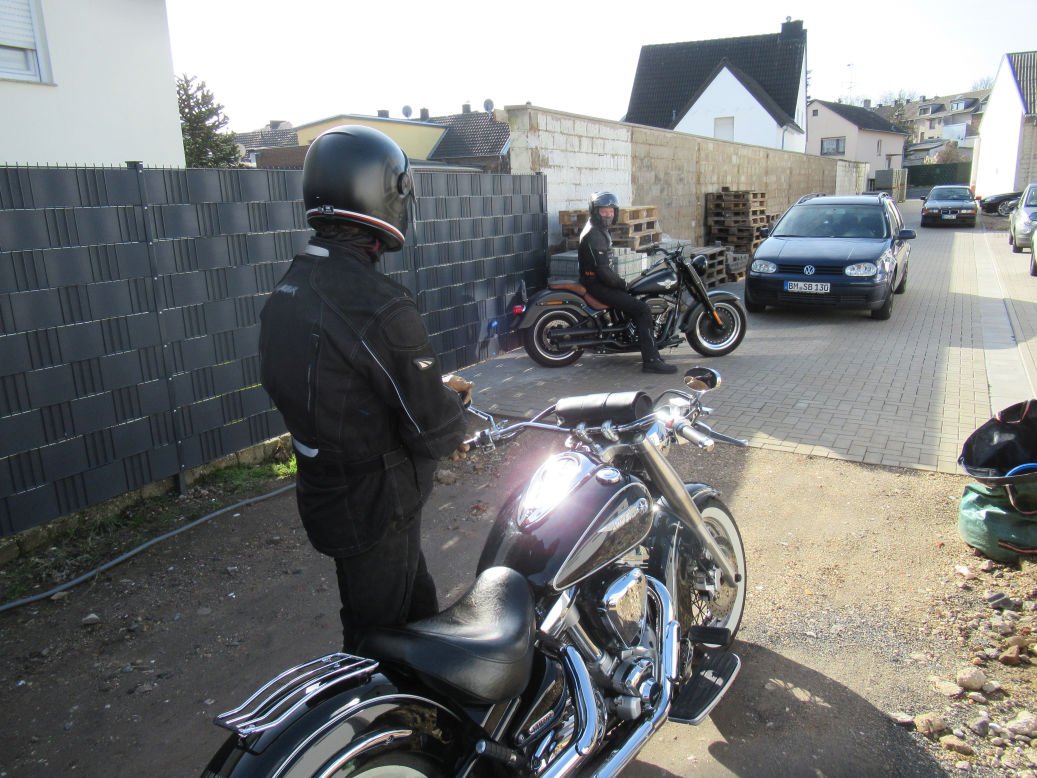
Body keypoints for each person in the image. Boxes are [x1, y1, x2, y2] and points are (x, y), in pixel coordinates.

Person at [258, 125, 471, 652]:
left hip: (326, 488)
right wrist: (454, 405)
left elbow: (332, 379)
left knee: (415, 607)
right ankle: (381, 703)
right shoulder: (378, 303)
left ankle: (423, 695)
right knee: (379, 638)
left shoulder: (290, 287)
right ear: (383, 193)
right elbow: (433, 429)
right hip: (377, 501)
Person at [578, 191, 677, 374]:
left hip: (596, 281)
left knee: (633, 301)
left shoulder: (597, 229)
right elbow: (603, 272)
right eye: (604, 211)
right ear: (595, 211)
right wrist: (622, 284)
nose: (608, 215)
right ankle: (651, 361)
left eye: (611, 211)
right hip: (597, 284)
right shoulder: (595, 235)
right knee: (642, 310)